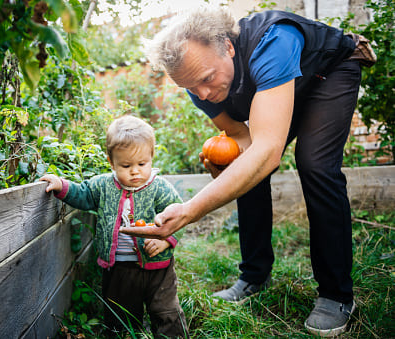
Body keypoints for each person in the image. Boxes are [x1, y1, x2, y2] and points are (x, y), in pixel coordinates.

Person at [119, 6, 374, 337]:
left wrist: (190, 210)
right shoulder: (197, 81)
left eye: (207, 79)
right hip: (281, 87)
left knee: (315, 163)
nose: (204, 95)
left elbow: (267, 153)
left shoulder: (274, 41)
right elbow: (244, 141)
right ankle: (254, 276)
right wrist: (227, 167)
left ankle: (336, 294)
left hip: (329, 72)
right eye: (192, 88)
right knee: (247, 165)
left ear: (227, 46)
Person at [40, 115, 188, 338]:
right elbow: (84, 195)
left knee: (165, 311)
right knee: (120, 313)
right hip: (120, 267)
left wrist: (165, 240)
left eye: (142, 164)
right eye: (126, 165)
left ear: (151, 157)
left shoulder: (160, 188)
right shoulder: (103, 185)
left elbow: (181, 216)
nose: (135, 171)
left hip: (158, 266)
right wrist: (62, 186)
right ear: (112, 162)